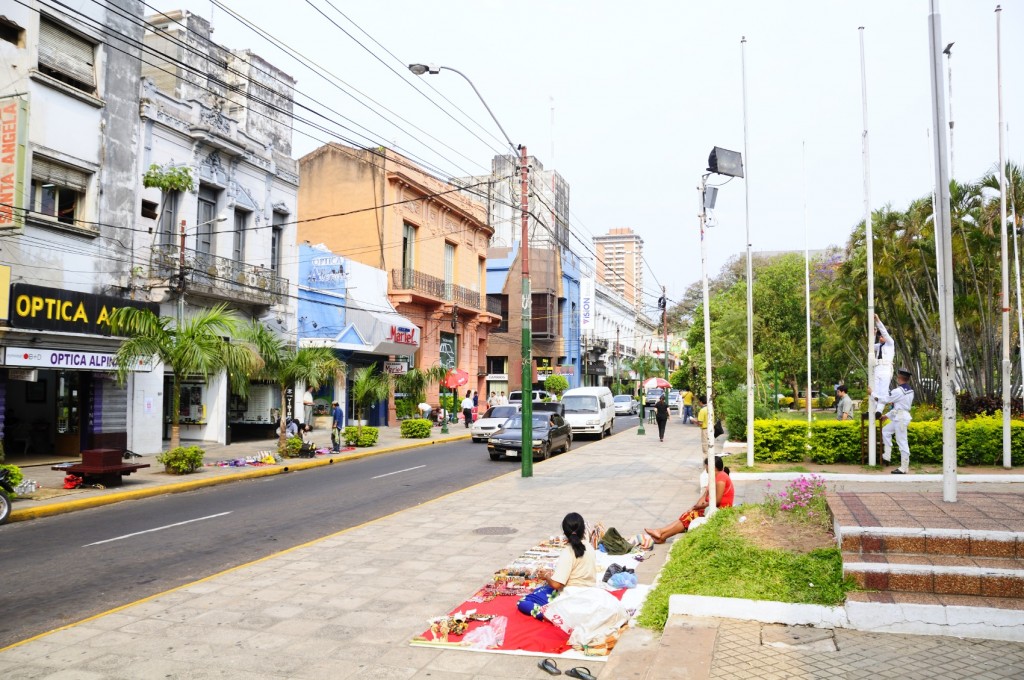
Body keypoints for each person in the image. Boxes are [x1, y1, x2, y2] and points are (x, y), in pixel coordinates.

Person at [517, 512, 596, 619]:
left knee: (523, 601)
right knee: (538, 591)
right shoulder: (590, 548)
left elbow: (556, 585)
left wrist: (546, 576)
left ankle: (548, 615)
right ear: (583, 530)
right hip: (589, 592)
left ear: (565, 532)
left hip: (570, 595)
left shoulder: (569, 551)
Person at [645, 457, 734, 543]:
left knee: (689, 517)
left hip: (720, 509)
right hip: (710, 507)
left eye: (706, 465)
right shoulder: (714, 477)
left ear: (712, 467)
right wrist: (695, 506)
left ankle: (662, 537)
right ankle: (660, 532)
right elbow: (704, 496)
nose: (705, 467)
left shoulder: (721, 478)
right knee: (688, 513)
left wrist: (700, 507)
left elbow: (717, 501)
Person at [868, 368, 915, 474]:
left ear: (899, 378)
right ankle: (887, 455)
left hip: (901, 419)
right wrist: (888, 416)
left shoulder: (898, 391)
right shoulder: (910, 391)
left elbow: (883, 399)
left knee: (902, 442)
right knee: (886, 430)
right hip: (900, 416)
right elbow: (900, 406)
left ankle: (904, 467)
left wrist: (872, 393)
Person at [871, 313, 896, 419]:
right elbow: (870, 347)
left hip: (886, 368)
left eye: (882, 336)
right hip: (877, 368)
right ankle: (873, 410)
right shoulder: (879, 346)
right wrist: (873, 335)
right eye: (879, 336)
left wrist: (878, 321)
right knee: (874, 390)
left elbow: (885, 333)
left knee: (883, 391)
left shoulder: (890, 343)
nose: (881, 337)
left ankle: (879, 410)